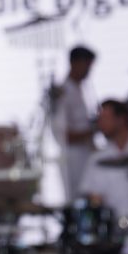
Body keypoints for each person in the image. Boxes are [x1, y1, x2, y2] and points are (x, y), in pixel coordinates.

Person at [51, 45, 97, 198]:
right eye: (87, 66)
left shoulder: (80, 90)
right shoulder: (62, 92)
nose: (88, 72)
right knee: (77, 201)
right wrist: (94, 129)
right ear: (75, 63)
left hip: (85, 155)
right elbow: (63, 135)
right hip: (72, 158)